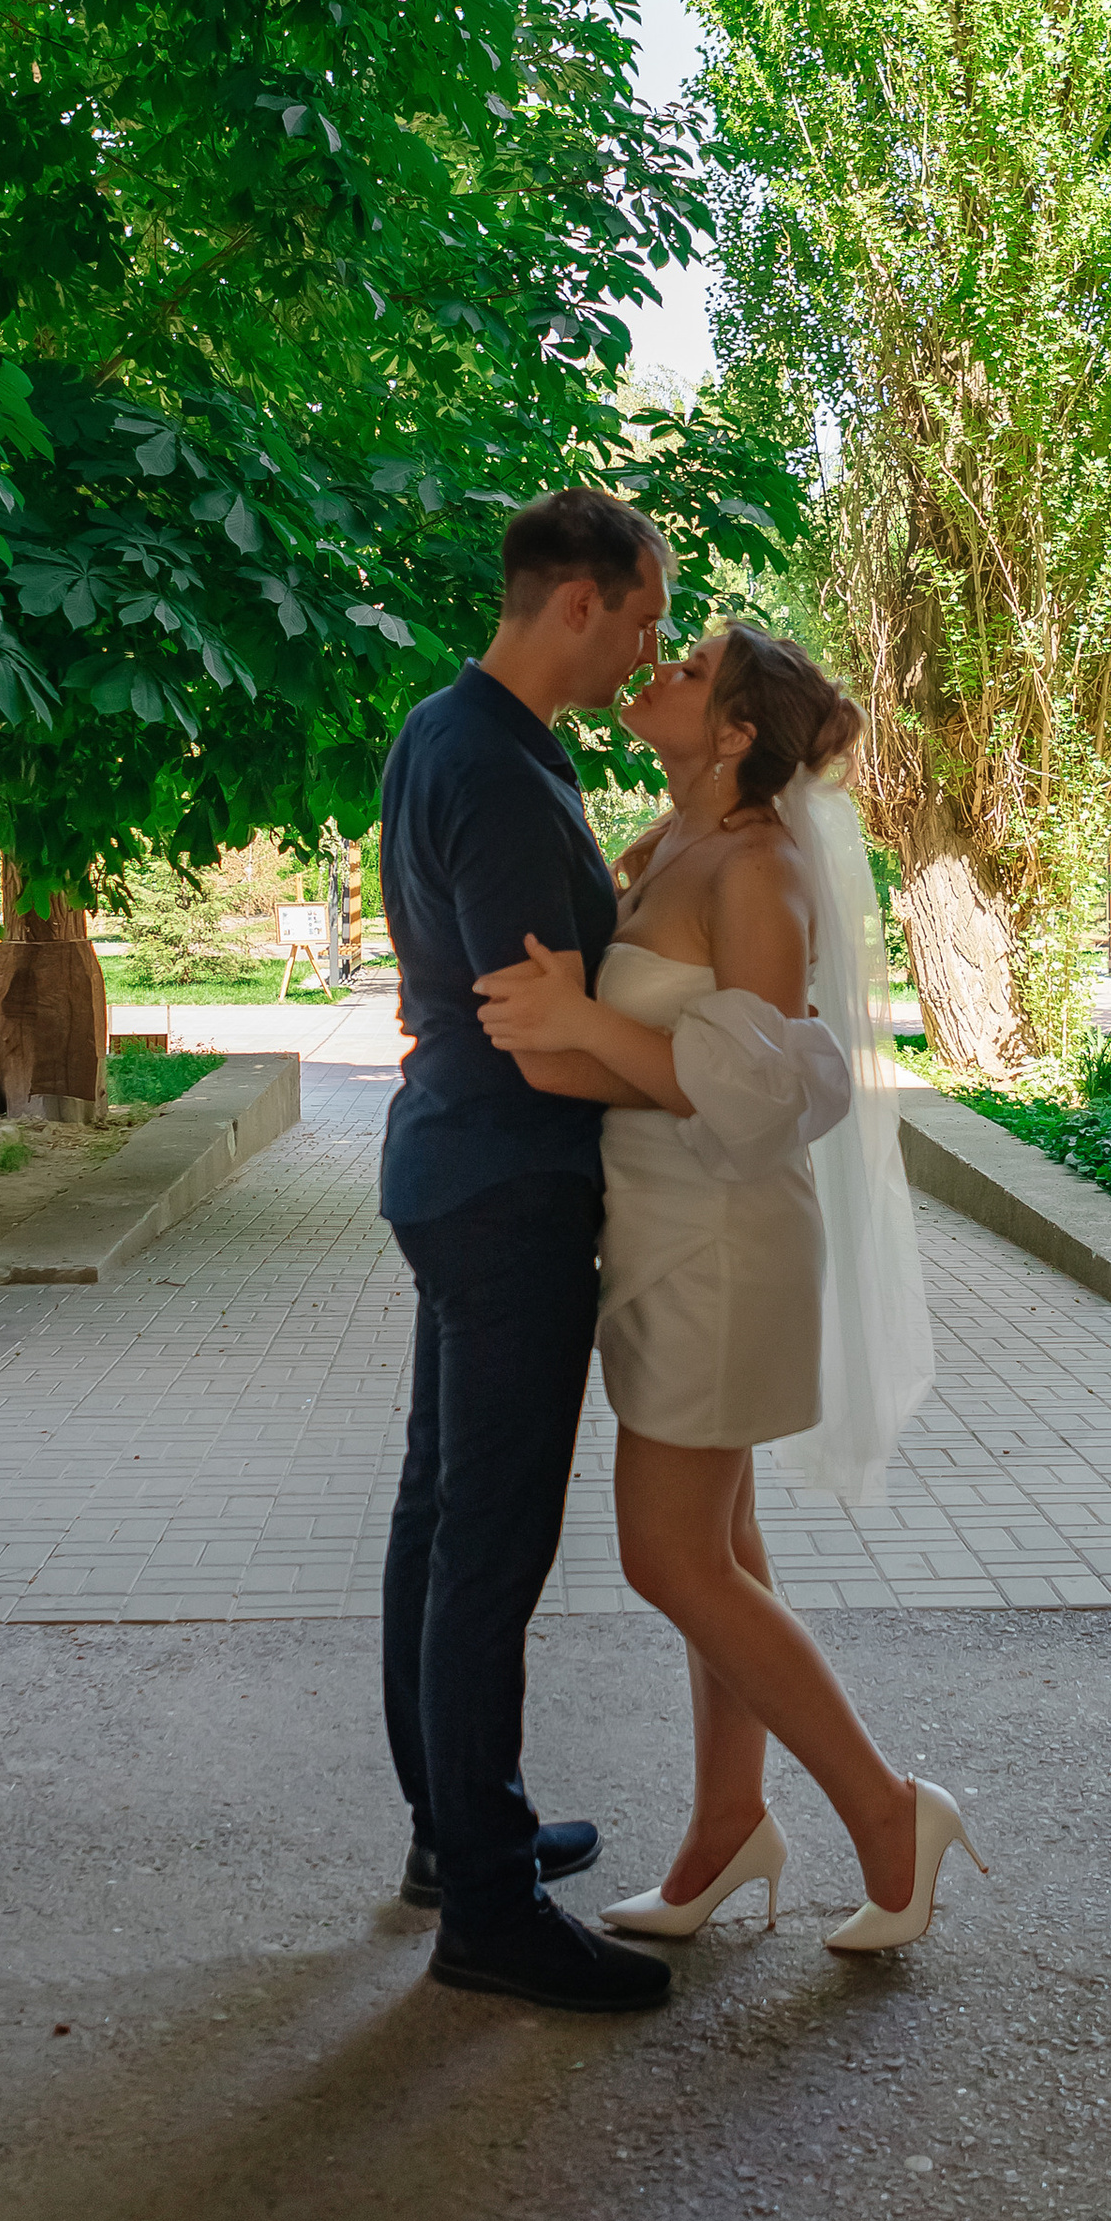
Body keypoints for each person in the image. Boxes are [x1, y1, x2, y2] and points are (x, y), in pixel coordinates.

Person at [474, 624, 982, 1954]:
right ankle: (723, 1832)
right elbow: (653, 1066)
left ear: (739, 731)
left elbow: (758, 1092)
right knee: (725, 1551)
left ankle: (887, 1813)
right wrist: (549, 1050)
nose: (659, 672)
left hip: (723, 1237)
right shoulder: (673, 847)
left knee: (672, 1555)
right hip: (663, 1225)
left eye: (688, 669)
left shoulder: (758, 866)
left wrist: (581, 1025)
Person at [376, 489, 679, 2017]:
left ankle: (456, 1835)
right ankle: (487, 1913)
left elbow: (512, 996)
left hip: (458, 1167)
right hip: (505, 1189)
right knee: (488, 1545)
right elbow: (546, 1045)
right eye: (644, 621)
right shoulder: (494, 770)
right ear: (578, 603)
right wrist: (701, 1074)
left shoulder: (456, 731)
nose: (651, 650)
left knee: (442, 1520)